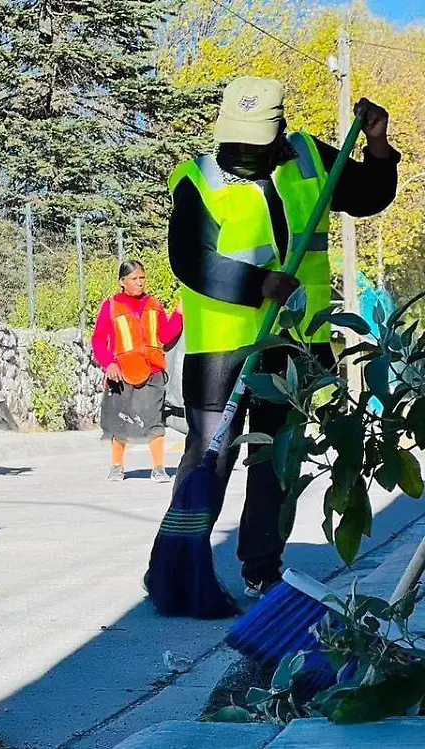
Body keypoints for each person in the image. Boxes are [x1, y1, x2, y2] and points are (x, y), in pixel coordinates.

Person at [167, 77, 398, 598]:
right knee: (210, 456)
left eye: (257, 140)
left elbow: (367, 195)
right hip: (221, 349)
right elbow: (188, 259)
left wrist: (377, 146)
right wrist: (258, 284)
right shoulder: (199, 179)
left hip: (292, 348)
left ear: (279, 133)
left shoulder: (311, 159)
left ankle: (262, 569)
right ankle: (181, 565)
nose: (244, 150)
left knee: (276, 459)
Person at [91, 260, 183, 483]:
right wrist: (108, 364)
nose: (139, 283)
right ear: (122, 282)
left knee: (154, 419)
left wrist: (179, 313)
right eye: (134, 279)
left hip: (152, 371)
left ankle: (159, 468)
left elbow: (166, 336)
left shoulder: (154, 305)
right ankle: (117, 466)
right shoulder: (111, 306)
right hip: (121, 373)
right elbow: (99, 340)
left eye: (142, 278)